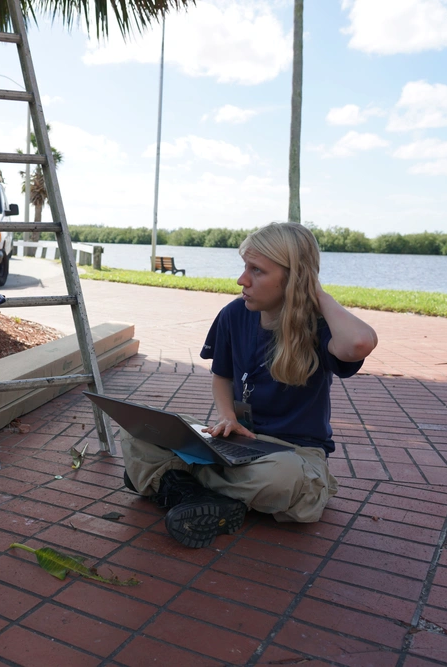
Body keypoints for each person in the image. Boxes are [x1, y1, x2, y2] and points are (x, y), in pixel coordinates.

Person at [121, 222, 378, 548]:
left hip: (290, 454)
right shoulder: (234, 314)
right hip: (236, 442)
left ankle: (172, 481)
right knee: (138, 429)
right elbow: (222, 376)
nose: (242, 280)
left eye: (257, 270)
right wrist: (227, 417)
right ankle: (202, 493)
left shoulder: (319, 326)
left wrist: (315, 291)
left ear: (293, 277)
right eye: (245, 267)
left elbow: (359, 343)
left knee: (285, 479)